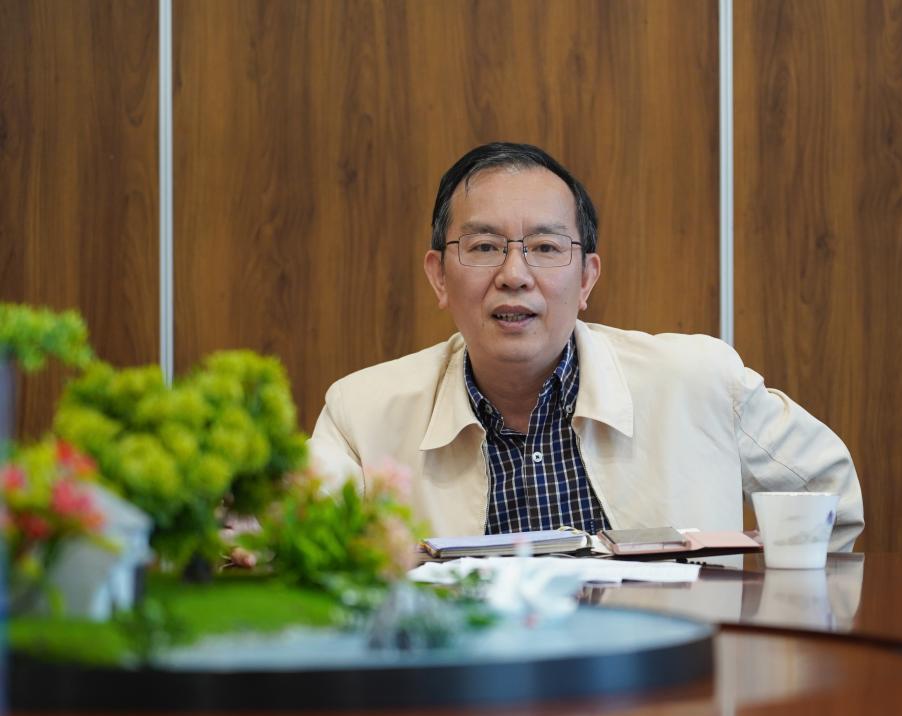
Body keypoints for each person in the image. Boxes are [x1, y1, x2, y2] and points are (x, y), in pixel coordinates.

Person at [309, 143, 864, 550]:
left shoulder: (701, 381)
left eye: (546, 247)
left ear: (586, 279)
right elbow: (295, 537)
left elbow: (829, 499)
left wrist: (751, 610)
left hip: (662, 676)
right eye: (484, 247)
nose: (514, 274)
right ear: (438, 277)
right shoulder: (362, 412)